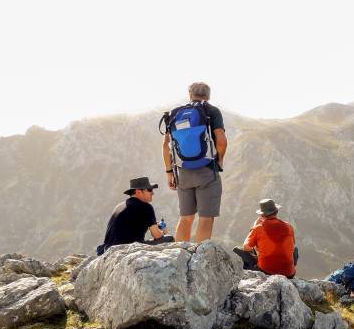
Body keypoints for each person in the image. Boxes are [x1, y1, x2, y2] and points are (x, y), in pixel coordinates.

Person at [163, 82, 228, 243]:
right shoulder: (212, 111)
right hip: (207, 170)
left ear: (190, 94)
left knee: (186, 218)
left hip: (183, 171)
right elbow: (221, 140)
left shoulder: (175, 113)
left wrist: (169, 172)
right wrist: (219, 160)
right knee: (206, 218)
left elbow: (166, 145)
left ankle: (179, 252)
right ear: (208, 96)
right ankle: (199, 254)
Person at [98, 177, 174, 254]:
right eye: (149, 190)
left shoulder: (119, 206)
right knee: (169, 239)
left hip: (108, 250)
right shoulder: (146, 207)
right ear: (138, 192)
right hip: (128, 250)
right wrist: (163, 230)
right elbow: (157, 236)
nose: (152, 193)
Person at [234, 199, 296, 278]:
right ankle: (288, 269)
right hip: (289, 274)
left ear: (262, 215)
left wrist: (254, 227)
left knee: (237, 250)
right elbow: (292, 246)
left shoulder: (259, 228)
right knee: (295, 250)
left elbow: (246, 247)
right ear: (276, 211)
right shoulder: (289, 227)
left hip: (266, 272)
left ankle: (247, 277)